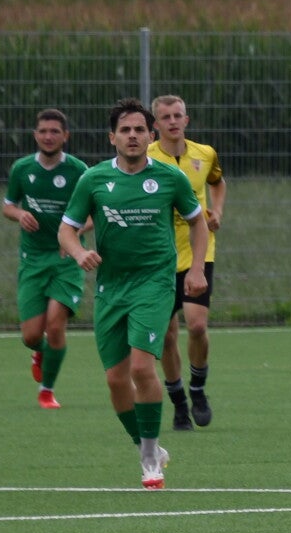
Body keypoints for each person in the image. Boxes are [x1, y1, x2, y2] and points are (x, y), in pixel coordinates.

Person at [59, 98, 209, 489]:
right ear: (112, 137)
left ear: (150, 135)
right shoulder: (93, 179)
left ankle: (149, 458)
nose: (132, 136)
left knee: (142, 368)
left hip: (155, 283)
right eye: (125, 130)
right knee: (115, 380)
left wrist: (196, 269)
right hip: (111, 287)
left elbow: (198, 222)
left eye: (139, 129)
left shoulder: (169, 178)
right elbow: (67, 229)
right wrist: (79, 253)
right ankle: (144, 445)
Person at [1, 109, 92, 409]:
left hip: (66, 259)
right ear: (35, 135)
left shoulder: (79, 171)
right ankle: (39, 351)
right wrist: (20, 214)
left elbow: (95, 214)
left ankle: (46, 391)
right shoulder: (22, 168)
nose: (48, 136)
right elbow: (7, 206)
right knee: (30, 336)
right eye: (43, 131)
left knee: (55, 326)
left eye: (54, 131)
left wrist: (73, 236)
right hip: (32, 259)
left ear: (65, 136)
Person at [148, 95, 225, 432]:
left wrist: (217, 211)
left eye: (177, 115)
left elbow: (217, 183)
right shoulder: (147, 157)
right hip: (159, 256)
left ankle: (198, 388)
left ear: (186, 120)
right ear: (155, 124)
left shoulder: (204, 154)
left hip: (198, 252)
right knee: (166, 335)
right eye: (165, 117)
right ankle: (179, 402)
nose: (173, 121)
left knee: (196, 326)